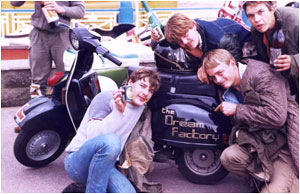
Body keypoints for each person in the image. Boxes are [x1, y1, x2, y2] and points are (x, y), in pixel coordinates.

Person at [202, 49, 299, 193]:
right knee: (229, 157)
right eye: (213, 77)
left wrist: (237, 109)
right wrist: (201, 68)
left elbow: (277, 117)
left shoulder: (262, 75)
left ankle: (286, 181)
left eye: (220, 73)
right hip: (260, 145)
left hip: (282, 147)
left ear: (233, 63)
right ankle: (265, 178)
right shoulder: (228, 85)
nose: (218, 80)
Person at [63, 68, 161, 193]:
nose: (146, 93)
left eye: (151, 91)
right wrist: (118, 112)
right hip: (77, 162)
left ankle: (79, 189)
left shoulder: (140, 108)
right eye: (142, 86)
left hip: (106, 165)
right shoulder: (106, 97)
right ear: (130, 82)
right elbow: (94, 135)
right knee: (111, 141)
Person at [10, 1, 85, 98]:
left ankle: (66, 106)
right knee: (37, 80)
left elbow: (80, 11)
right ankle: (35, 103)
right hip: (39, 35)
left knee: (67, 77)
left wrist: (61, 9)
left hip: (62, 35)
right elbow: (14, 3)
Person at [151, 13, 253, 82]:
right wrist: (155, 38)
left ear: (194, 27)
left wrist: (204, 60)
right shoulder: (182, 32)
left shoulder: (221, 39)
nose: (185, 42)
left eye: (186, 36)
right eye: (180, 41)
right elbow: (161, 42)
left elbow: (232, 69)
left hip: (249, 52)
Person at [242, 1, 299, 103]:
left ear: (272, 9)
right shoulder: (256, 31)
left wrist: (293, 61)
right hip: (285, 85)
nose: (257, 20)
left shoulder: (296, 22)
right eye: (251, 15)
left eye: (261, 12)